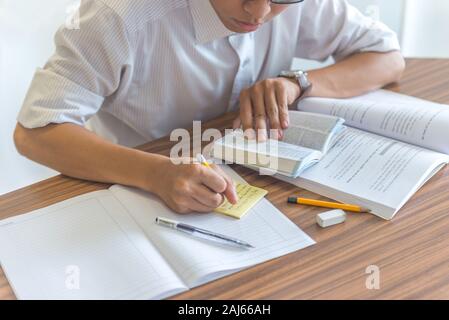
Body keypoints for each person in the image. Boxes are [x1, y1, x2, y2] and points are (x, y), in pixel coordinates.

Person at [13, 0, 405, 214]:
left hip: (259, 183)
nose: (259, 12)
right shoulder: (118, 14)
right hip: (134, 188)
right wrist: (156, 173)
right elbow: (35, 132)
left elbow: (388, 57)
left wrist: (297, 83)